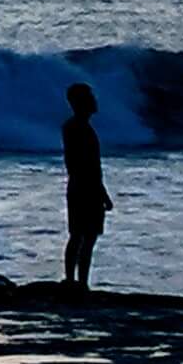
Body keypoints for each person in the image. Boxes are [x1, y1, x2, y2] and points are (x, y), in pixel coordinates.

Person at [59, 82, 111, 292]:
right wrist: (99, 191)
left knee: (87, 237)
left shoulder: (81, 127)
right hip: (83, 187)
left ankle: (80, 282)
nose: (94, 101)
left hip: (87, 186)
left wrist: (102, 193)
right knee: (80, 235)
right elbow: (80, 164)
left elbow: (91, 166)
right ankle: (73, 281)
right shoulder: (75, 127)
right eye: (89, 97)